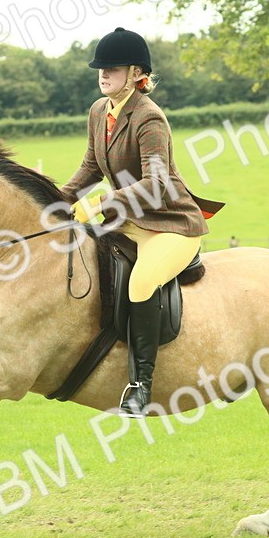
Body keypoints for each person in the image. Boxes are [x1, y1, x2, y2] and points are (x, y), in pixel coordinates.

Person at [60, 27, 224, 418]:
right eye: (100, 68)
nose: (103, 74)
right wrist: (56, 199)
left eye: (112, 68)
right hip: (130, 221)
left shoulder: (149, 118)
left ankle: (140, 386)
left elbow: (156, 183)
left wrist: (102, 202)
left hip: (170, 223)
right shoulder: (99, 112)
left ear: (135, 73)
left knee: (141, 282)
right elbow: (90, 166)